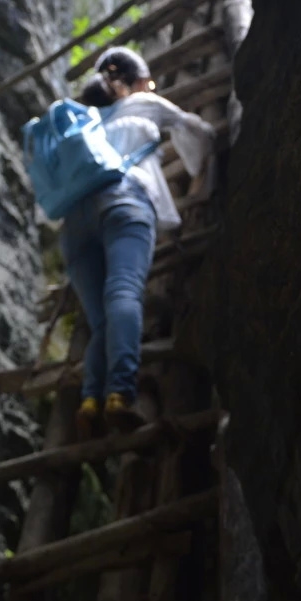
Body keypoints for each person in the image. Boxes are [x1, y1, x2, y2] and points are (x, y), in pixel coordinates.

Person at [61, 47, 216, 434]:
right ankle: (121, 393)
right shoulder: (142, 103)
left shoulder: (83, 122)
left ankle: (90, 400)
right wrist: (202, 170)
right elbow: (196, 132)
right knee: (124, 294)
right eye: (148, 82)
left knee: (100, 319)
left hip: (74, 222)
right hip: (124, 202)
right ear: (134, 82)